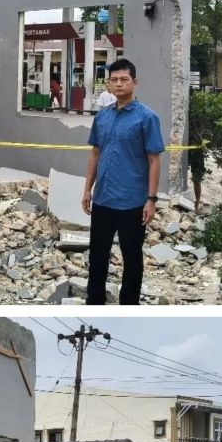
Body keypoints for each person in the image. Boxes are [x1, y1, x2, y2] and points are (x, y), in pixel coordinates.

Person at [81, 58, 165, 305]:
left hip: (132, 202)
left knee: (132, 257)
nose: (118, 84)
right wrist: (87, 189)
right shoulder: (102, 117)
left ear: (135, 82)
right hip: (103, 199)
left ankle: (129, 305)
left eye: (124, 79)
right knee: (98, 254)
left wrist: (151, 199)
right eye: (114, 80)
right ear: (108, 83)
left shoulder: (147, 118)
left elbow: (154, 161)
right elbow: (95, 153)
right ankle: (94, 302)